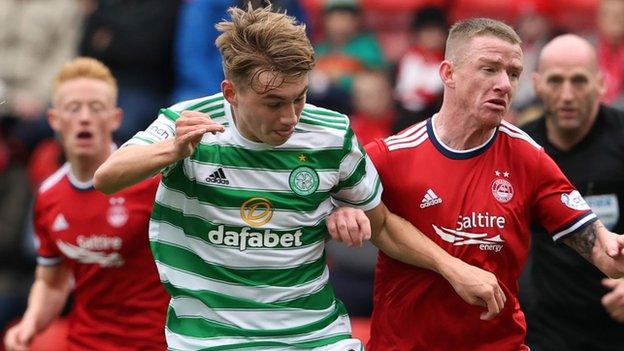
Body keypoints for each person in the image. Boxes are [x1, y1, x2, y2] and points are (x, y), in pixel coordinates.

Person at [94, 5, 513, 350]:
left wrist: (454, 268)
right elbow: (107, 178)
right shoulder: (188, 124)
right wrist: (173, 152)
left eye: (300, 97)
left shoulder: (330, 133)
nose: (290, 117)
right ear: (230, 93)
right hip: (210, 339)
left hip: (314, 337)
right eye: (274, 103)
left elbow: (382, 225)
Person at [327, 18, 624, 350]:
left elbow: (598, 243)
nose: (505, 85)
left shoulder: (528, 157)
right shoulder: (390, 155)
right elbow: (322, 202)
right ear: (449, 73)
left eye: (513, 74)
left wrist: (612, 250)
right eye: (489, 69)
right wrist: (340, 210)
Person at [3, 57, 170, 351]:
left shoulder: (151, 183)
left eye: (96, 108)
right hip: (86, 343)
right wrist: (29, 323)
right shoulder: (49, 195)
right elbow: (53, 282)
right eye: (73, 108)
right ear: (54, 119)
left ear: (115, 118)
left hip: (155, 343)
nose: (84, 118)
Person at [520, 34, 624, 351]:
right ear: (536, 84)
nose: (567, 95)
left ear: (600, 83)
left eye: (578, 81)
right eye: (555, 81)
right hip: (545, 330)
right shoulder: (520, 149)